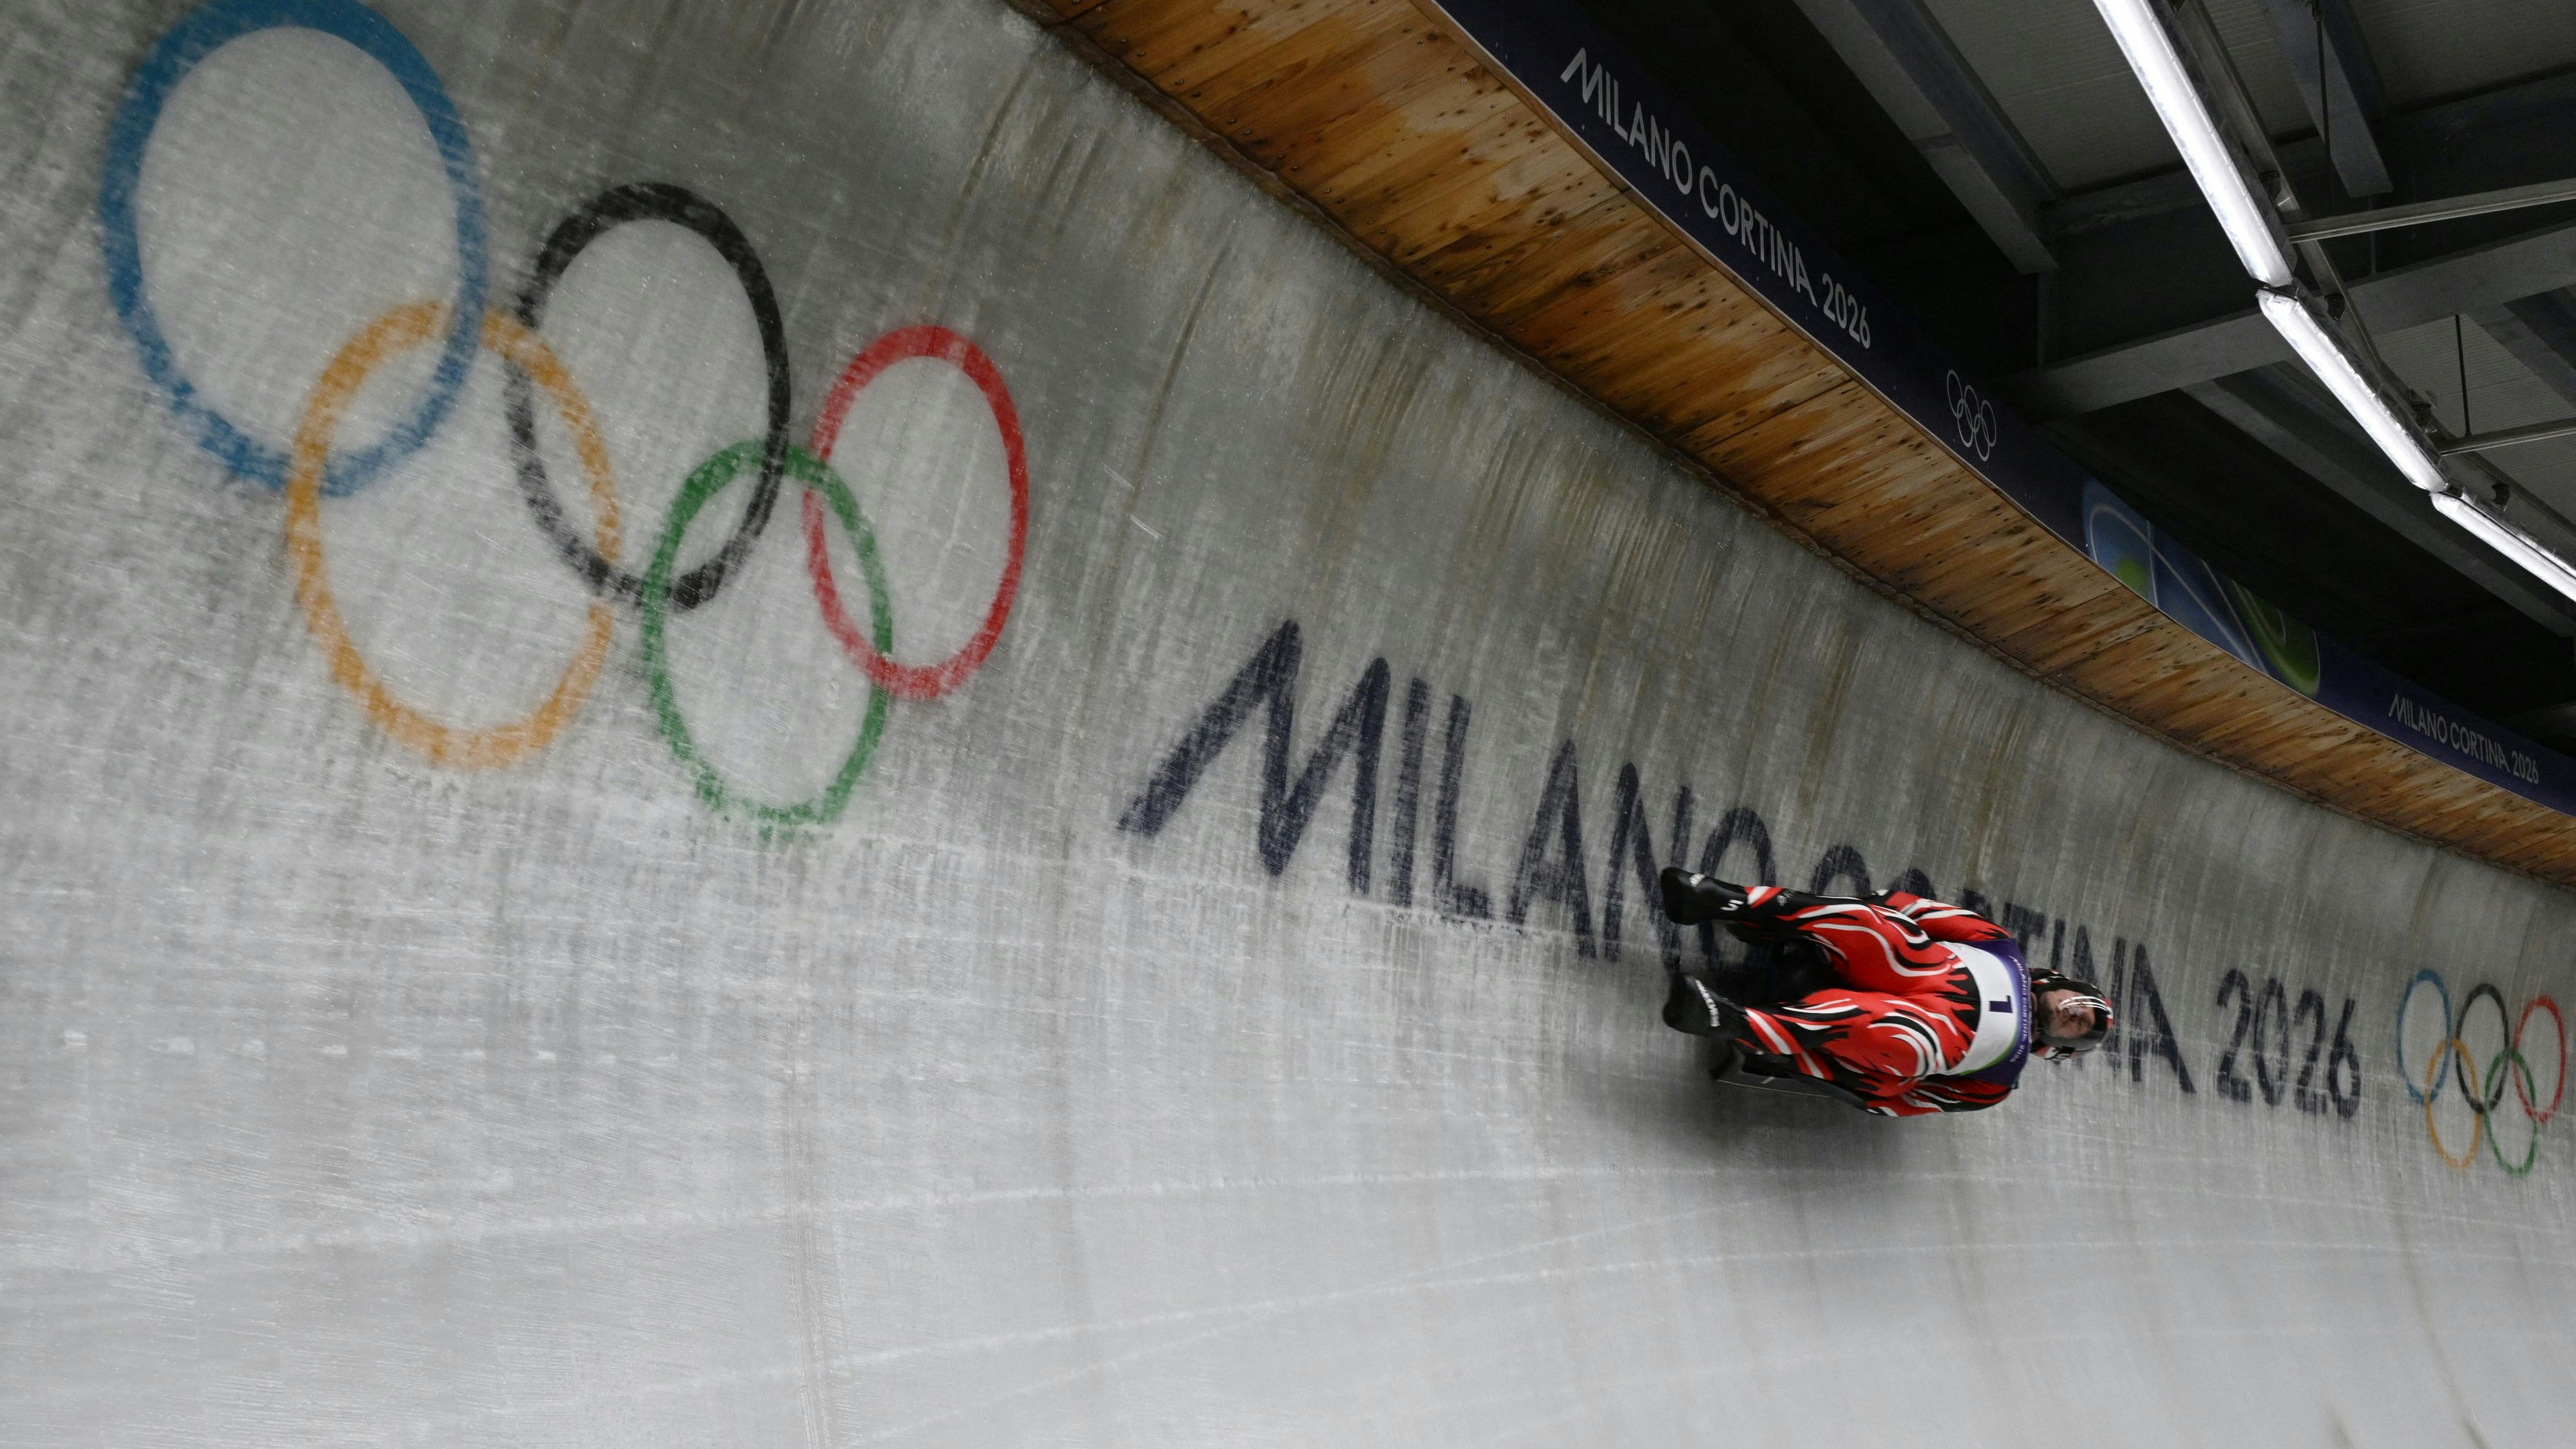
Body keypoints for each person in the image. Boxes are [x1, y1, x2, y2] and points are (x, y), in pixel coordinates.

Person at [1654, 868, 2112, 1116]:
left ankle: (1731, 1021)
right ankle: (1722, 899)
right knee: (1873, 924)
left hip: (1914, 1038)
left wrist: (1865, 1090)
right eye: (2081, 1009)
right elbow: (1915, 910)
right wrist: (1880, 909)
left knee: (1903, 1034)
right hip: (1910, 968)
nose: (2075, 1018)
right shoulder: (2000, 945)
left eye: (2080, 1029)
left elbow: (1915, 1100)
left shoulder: (1998, 1083)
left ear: (2059, 1047)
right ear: (2059, 982)